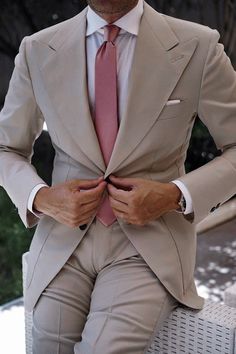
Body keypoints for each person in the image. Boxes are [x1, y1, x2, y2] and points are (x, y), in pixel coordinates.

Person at [1, 0, 236, 353]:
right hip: (64, 241)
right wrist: (43, 198)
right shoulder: (36, 49)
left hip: (149, 243)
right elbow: (6, 148)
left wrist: (174, 194)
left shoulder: (198, 46)